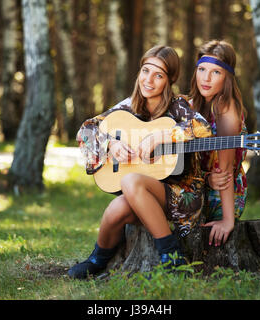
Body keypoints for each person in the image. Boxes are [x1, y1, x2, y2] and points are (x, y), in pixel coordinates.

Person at [68, 45, 215, 279]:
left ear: (169, 80)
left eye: (158, 75)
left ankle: (172, 256)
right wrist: (110, 144)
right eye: (146, 71)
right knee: (116, 208)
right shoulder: (129, 106)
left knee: (131, 181)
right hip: (145, 194)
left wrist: (162, 135)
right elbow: (86, 130)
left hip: (182, 195)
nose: (149, 80)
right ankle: (97, 260)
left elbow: (204, 129)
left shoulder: (178, 106)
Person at [189, 40, 248, 247]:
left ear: (227, 78)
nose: (206, 78)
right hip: (199, 184)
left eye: (216, 72)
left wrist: (227, 219)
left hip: (221, 195)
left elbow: (225, 173)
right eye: (202, 69)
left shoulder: (225, 108)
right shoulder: (191, 106)